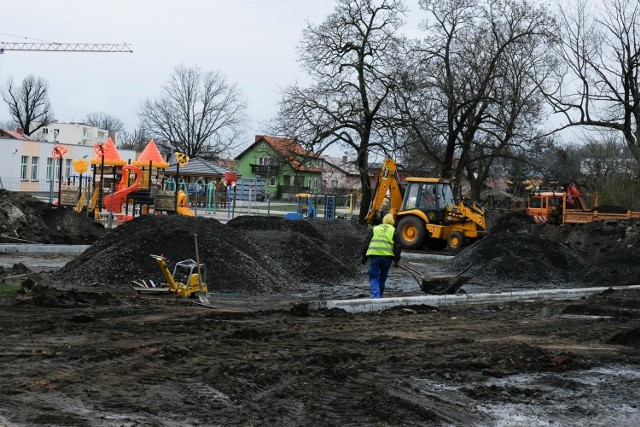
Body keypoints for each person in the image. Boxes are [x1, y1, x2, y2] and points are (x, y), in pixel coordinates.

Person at [361, 213, 402, 299]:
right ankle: (379, 296)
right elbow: (397, 247)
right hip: (387, 258)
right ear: (392, 221)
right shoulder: (393, 230)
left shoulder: (375, 229)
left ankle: (376, 298)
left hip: (375, 256)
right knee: (382, 278)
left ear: (383, 220)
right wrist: (396, 260)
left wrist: (364, 256)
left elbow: (367, 243)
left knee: (374, 277)